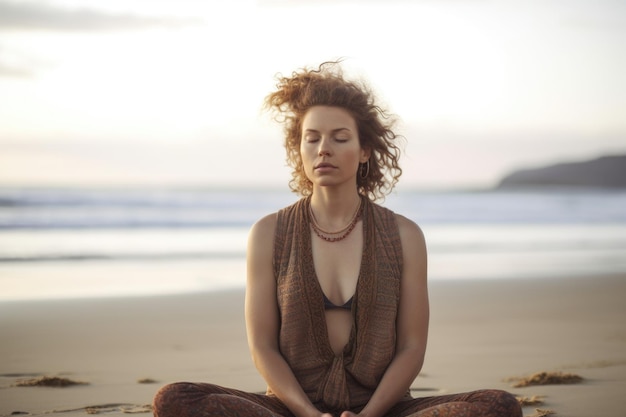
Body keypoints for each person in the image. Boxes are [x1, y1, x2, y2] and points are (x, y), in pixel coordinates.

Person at [152, 61, 522, 417]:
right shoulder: (268, 234)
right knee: (176, 399)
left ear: (364, 152)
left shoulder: (405, 236)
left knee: (498, 406)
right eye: (311, 139)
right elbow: (262, 347)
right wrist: (308, 413)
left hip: (385, 409)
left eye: (339, 138)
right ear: (299, 150)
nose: (323, 148)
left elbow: (411, 348)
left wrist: (370, 414)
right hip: (288, 408)